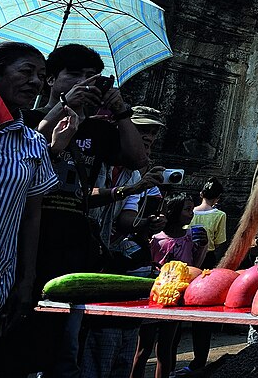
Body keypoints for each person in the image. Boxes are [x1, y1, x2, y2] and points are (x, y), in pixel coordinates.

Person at [32, 43, 149, 378]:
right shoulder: (28, 118)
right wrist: (64, 109)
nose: (84, 83)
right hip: (29, 235)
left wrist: (121, 112)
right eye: (74, 75)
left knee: (67, 346)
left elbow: (139, 160)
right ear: (51, 79)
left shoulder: (98, 130)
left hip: (74, 245)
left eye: (91, 77)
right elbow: (29, 156)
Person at [0, 44, 58, 377]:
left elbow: (32, 216)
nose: (36, 82)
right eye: (26, 71)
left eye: (40, 75)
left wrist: (26, 281)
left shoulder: (33, 143)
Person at [81, 107, 168, 378]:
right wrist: (130, 190)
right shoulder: (94, 159)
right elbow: (82, 196)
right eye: (142, 130)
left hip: (106, 259)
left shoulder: (132, 173)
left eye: (152, 134)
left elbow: (125, 221)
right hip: (76, 251)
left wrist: (150, 224)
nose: (148, 138)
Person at [131, 194, 206, 378]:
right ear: (173, 211)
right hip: (155, 297)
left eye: (192, 209)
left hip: (176, 298)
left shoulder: (191, 238)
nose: (191, 214)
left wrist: (203, 246)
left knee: (166, 347)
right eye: (187, 209)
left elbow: (196, 266)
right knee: (143, 348)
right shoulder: (156, 239)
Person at [182, 178, 227, 374]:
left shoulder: (188, 212)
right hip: (207, 261)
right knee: (203, 312)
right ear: (217, 198)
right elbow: (218, 243)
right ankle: (199, 361)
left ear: (201, 194)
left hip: (184, 257)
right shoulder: (220, 215)